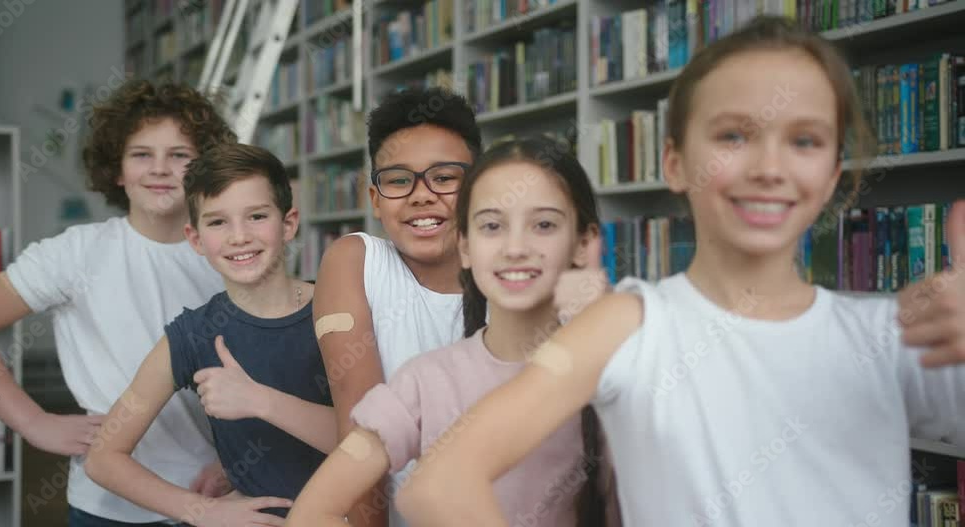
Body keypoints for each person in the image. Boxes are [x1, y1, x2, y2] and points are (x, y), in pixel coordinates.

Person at [395, 16, 965, 527]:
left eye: (804, 140)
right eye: (733, 136)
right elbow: (439, 484)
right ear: (673, 161)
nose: (769, 167)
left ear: (836, 169)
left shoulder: (899, 333)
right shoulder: (625, 325)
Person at [287, 137, 617, 527]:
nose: (515, 247)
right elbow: (311, 513)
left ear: (583, 244)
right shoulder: (426, 381)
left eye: (543, 224)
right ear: (464, 245)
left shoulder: (614, 372)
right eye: (492, 225)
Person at [0, 80, 239, 525]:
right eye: (141, 154)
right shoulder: (76, 252)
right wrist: (33, 421)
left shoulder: (233, 253)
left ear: (204, 168)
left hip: (220, 494)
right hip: (109, 506)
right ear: (116, 169)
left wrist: (234, 463)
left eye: (179, 155)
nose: (160, 169)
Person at [85, 143, 335, 526]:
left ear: (288, 224)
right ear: (196, 239)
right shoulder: (192, 334)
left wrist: (258, 400)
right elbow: (103, 458)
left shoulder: (339, 310)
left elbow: (374, 442)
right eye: (218, 222)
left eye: (256, 216)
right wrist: (203, 511)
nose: (238, 237)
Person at [313, 87, 481, 526]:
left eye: (444, 177)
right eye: (399, 180)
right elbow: (359, 420)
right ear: (374, 198)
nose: (422, 195)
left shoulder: (508, 273)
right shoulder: (355, 260)